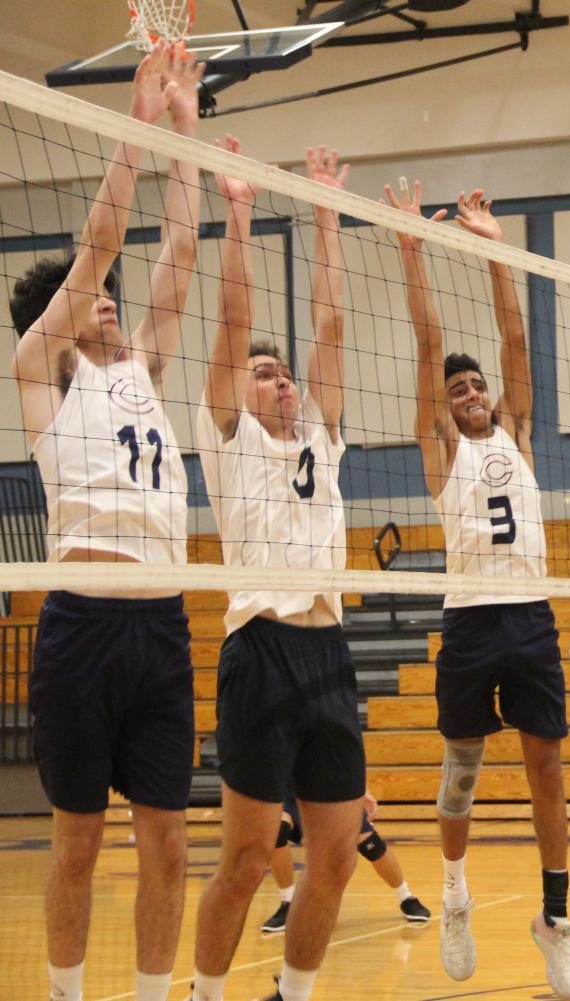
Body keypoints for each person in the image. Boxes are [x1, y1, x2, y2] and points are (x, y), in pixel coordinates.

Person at [7, 42, 203, 1001]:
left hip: (162, 622)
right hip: (82, 621)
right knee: (77, 840)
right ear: (65, 315)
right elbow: (101, 248)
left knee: (167, 841)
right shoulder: (42, 372)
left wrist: (188, 128)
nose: (114, 300)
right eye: (96, 298)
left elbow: (182, 246)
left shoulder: (145, 370)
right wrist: (133, 120)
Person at [389, 181, 570, 993]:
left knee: (547, 767)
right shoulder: (442, 446)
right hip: (469, 619)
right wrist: (413, 252)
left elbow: (512, 335)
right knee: (460, 770)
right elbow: (431, 340)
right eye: (459, 390)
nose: (470, 395)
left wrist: (495, 247)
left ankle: (554, 917)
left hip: (529, 617)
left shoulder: (518, 431)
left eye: (476, 389)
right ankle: (455, 888)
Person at [191, 146, 360, 1001]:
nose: (282, 380)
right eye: (265, 372)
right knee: (251, 855)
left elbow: (330, 328)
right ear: (240, 390)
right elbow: (230, 322)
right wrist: (240, 213)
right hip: (258, 647)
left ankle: (290, 996)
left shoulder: (319, 440)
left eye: (283, 372)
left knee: (334, 856)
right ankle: (204, 992)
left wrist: (326, 216)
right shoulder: (231, 439)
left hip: (328, 647)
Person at [260, 790, 430, 933]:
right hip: (292, 787)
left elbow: (353, 751)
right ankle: (288, 902)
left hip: (331, 784)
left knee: (370, 845)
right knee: (276, 832)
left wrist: (364, 789)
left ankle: (406, 897)